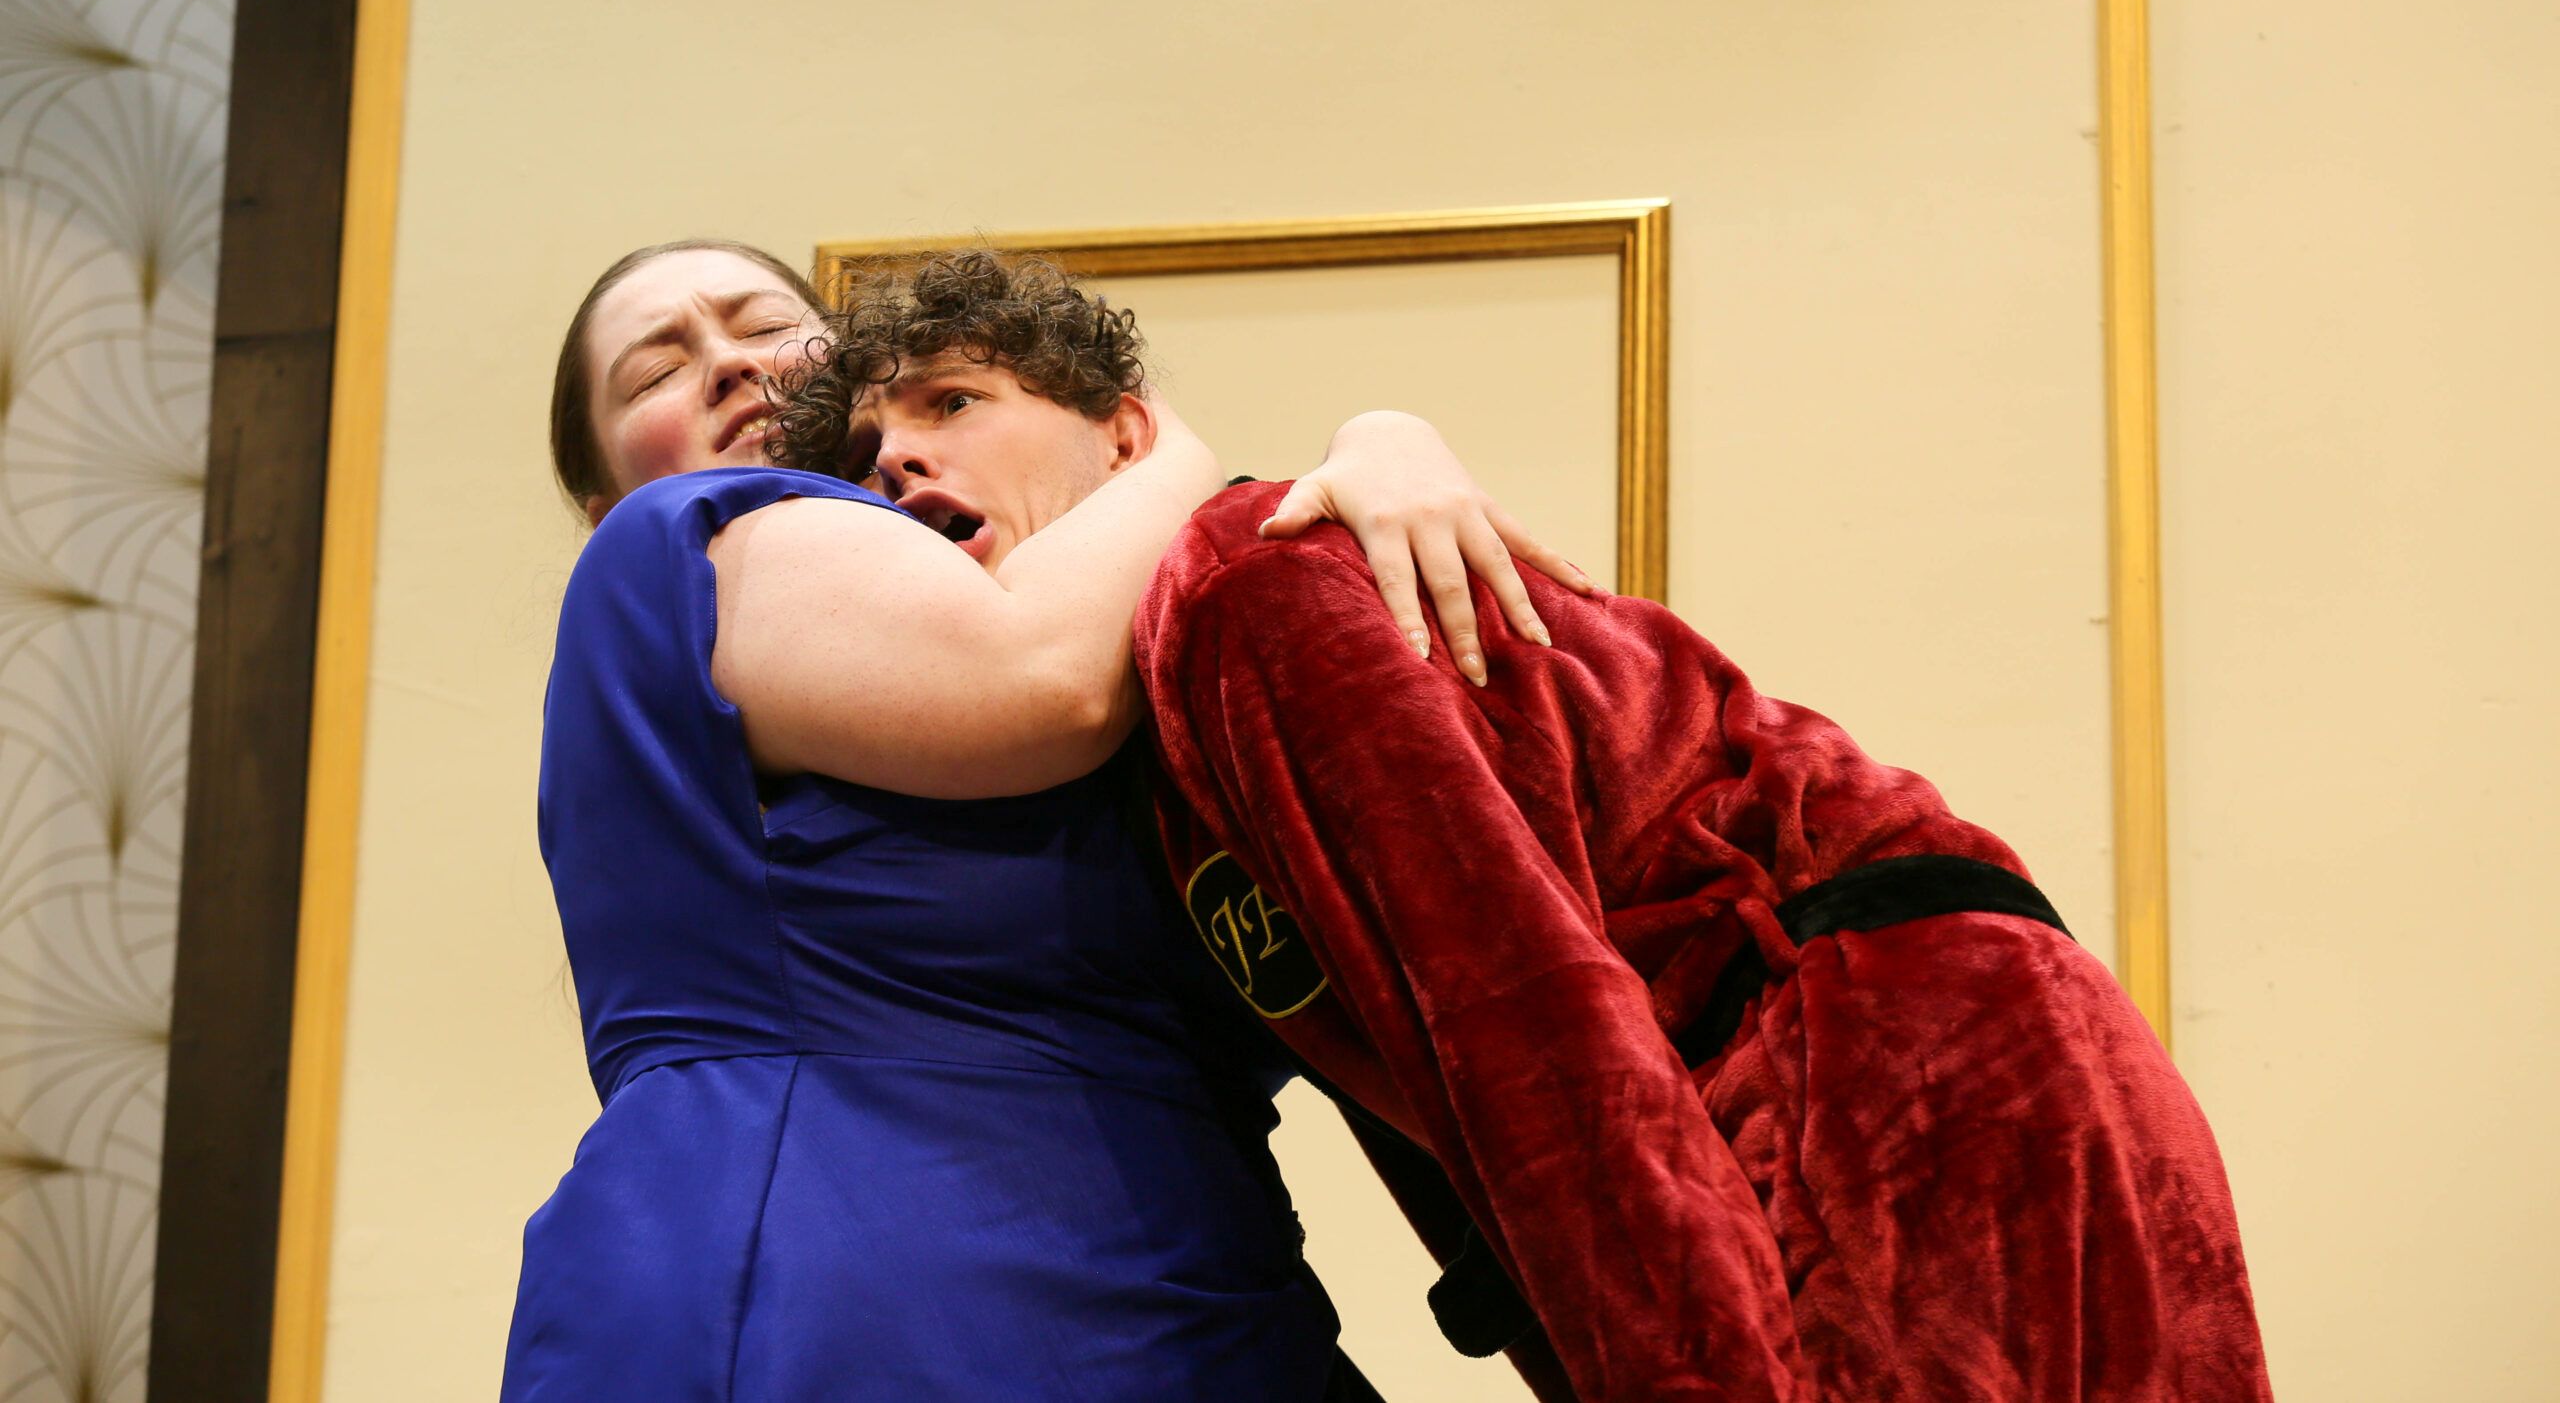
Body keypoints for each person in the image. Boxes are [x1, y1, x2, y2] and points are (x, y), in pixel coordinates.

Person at [768, 258, 2273, 1403]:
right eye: (868, 449)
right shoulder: (1151, 726)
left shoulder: (1243, 581)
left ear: (1127, 437)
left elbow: (1528, 1024)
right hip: (1926, 1055)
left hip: (1886, 1066)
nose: (898, 459)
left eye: (952, 403)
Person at [505, 239, 1583, 1401]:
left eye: (761, 323)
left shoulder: (1091, 614)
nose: (725, 365)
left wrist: (1378, 442)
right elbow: (1039, 681)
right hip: (841, 1278)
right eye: (655, 371)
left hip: (1193, 1287)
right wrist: (1180, 449)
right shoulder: (674, 546)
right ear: (603, 496)